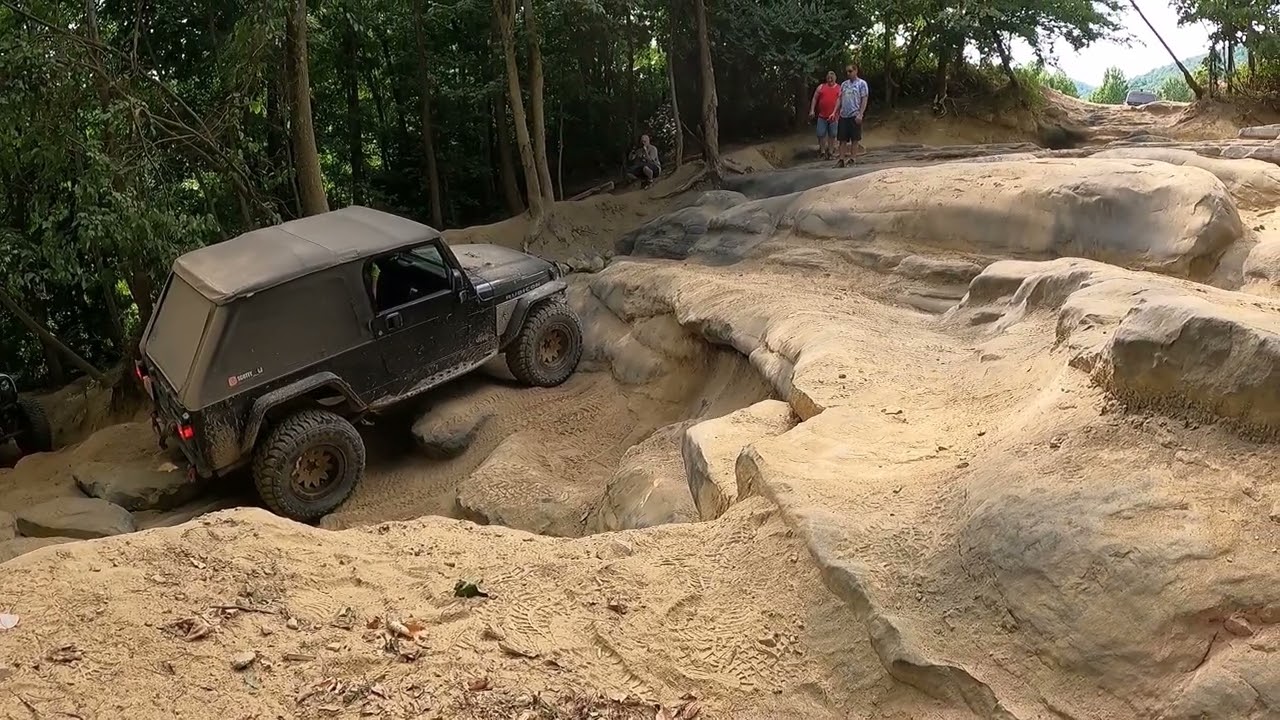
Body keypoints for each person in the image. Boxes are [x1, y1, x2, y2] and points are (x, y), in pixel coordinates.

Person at [836, 64, 869, 168]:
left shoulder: (862, 84)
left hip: (855, 114)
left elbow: (864, 99)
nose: (848, 74)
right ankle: (841, 160)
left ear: (856, 71)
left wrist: (861, 114)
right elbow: (839, 99)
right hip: (843, 114)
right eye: (847, 72)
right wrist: (834, 111)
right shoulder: (844, 84)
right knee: (842, 139)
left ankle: (852, 159)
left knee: (855, 139)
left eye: (850, 71)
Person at [809, 71, 841, 160]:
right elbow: (815, 98)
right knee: (820, 133)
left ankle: (830, 152)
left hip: (834, 116)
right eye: (828, 78)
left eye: (832, 78)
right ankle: (822, 152)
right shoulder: (821, 87)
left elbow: (841, 101)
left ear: (835, 78)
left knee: (833, 134)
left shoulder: (839, 88)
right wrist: (812, 110)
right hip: (822, 115)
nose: (830, 79)